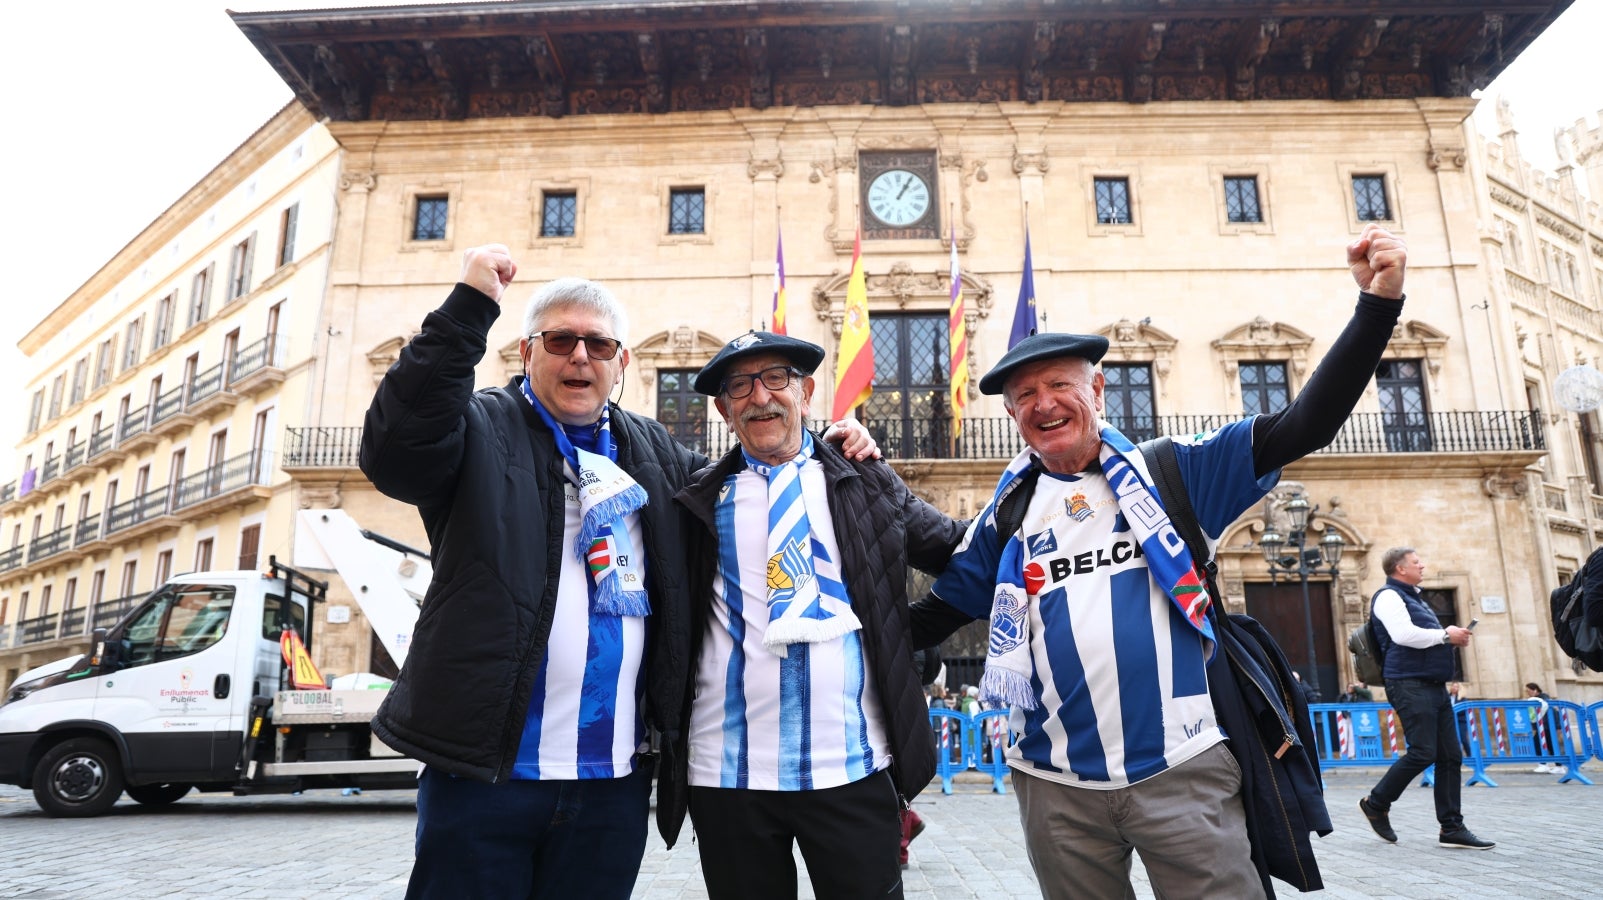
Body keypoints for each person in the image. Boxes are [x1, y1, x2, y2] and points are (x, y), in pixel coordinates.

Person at [908, 223, 1409, 898]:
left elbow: (1304, 424)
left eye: (1058, 384)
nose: (1043, 403)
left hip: (1182, 767)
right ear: (1011, 413)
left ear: (1099, 392)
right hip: (1054, 786)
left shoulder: (1177, 471)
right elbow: (935, 616)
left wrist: (1376, 307)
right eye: (1023, 396)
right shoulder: (1008, 511)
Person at [359, 247, 876, 899]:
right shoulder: (479, 430)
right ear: (528, 353)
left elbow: (753, 477)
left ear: (622, 362)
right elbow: (396, 448)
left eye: (598, 344)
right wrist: (469, 308)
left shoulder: (652, 450)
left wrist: (827, 445)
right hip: (486, 778)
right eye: (561, 340)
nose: (580, 355)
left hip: (611, 784)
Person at [660, 331, 965, 900]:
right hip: (728, 775)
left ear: (805, 390)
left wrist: (912, 629)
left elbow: (961, 555)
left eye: (775, 378)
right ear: (724, 409)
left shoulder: (865, 481)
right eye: (739, 386)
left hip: (849, 767)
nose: (759, 397)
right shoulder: (698, 499)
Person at [1357, 548, 1494, 850]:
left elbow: (1423, 637)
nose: (1423, 566)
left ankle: (1451, 828)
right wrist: (1446, 635)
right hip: (1408, 683)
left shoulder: (1415, 598)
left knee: (1450, 755)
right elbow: (1403, 635)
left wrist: (1449, 638)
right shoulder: (1389, 596)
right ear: (1399, 568)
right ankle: (1376, 803)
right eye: (1416, 562)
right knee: (1422, 752)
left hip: (1433, 685)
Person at [1525, 682, 1557, 772]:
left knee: (1541, 744)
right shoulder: (1535, 700)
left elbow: (1544, 708)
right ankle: (1556, 765)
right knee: (1549, 745)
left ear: (1535, 690)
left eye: (1529, 691)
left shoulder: (1543, 698)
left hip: (1546, 726)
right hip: (1543, 726)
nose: (1528, 693)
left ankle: (1544, 764)